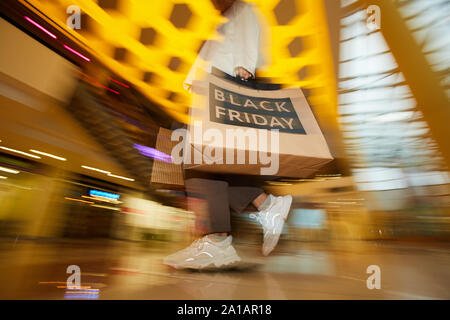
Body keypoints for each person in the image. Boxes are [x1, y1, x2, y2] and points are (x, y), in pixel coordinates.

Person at [163, 0, 292, 270]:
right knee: (214, 167)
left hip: (222, 93)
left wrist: (243, 75)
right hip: (211, 94)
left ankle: (219, 242)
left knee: (201, 165)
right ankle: (263, 207)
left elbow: (246, 47)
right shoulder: (226, 20)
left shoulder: (243, 10)